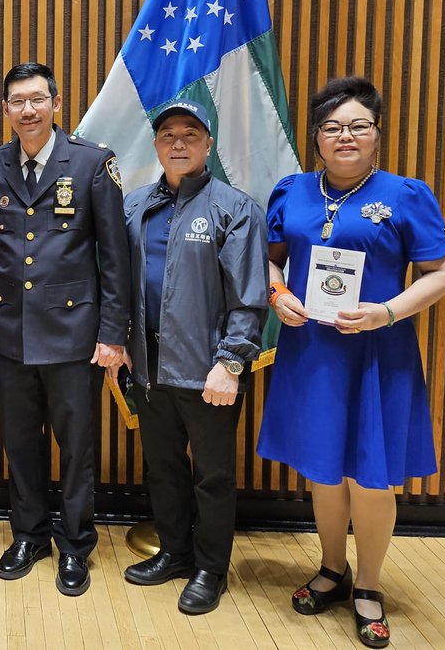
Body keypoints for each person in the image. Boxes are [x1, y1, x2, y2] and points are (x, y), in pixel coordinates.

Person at [259, 76, 445, 648]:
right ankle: (331, 568)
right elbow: (272, 262)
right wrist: (279, 296)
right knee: (323, 469)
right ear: (316, 137)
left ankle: (368, 585)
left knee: (370, 477)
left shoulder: (405, 194)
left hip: (378, 352)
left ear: (376, 134)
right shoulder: (291, 191)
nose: (345, 135)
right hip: (312, 350)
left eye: (358, 126)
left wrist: (388, 312)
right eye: (332, 127)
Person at [0, 62, 131, 597]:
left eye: (37, 99)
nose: (28, 110)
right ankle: (30, 535)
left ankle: (76, 544)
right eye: (17, 101)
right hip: (13, 333)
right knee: (20, 443)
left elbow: (115, 258)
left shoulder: (91, 163)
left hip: (75, 337)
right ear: (6, 109)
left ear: (56, 104)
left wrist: (113, 333)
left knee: (77, 446)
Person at [114, 100, 268, 614]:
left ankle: (209, 569)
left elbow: (249, 298)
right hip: (147, 367)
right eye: (167, 135)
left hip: (209, 371)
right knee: (162, 468)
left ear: (208, 144)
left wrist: (230, 364)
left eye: (190, 134)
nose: (178, 143)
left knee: (213, 475)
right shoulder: (134, 206)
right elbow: (114, 282)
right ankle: (175, 553)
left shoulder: (235, 208)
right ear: (156, 145)